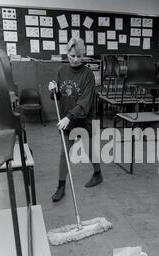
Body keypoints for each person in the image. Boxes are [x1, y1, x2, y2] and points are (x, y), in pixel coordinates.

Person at [49, 38, 102, 202]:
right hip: (67, 120)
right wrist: (53, 90)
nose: (76, 59)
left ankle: (98, 174)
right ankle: (61, 187)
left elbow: (85, 102)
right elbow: (57, 95)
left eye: (79, 56)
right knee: (64, 153)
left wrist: (69, 117)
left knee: (89, 150)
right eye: (72, 55)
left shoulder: (88, 75)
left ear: (83, 55)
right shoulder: (61, 71)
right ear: (67, 53)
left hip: (84, 119)